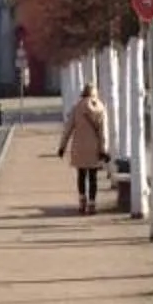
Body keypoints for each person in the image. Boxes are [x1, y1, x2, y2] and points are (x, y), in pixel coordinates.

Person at [58, 82, 109, 212]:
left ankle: (82, 201)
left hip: (79, 147)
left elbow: (68, 129)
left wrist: (62, 147)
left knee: (81, 175)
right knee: (93, 177)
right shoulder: (101, 108)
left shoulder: (77, 108)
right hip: (94, 148)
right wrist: (104, 149)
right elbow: (103, 132)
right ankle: (92, 204)